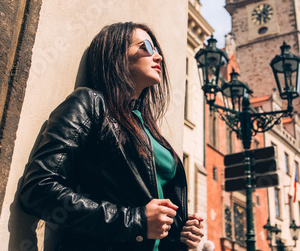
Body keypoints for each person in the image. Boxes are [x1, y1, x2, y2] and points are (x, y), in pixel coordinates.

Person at [19, 22, 204, 250]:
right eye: (146, 46)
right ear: (117, 55)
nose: (158, 57)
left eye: (157, 49)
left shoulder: (146, 125)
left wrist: (180, 233)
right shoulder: (91, 104)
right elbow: (38, 189)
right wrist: (135, 221)